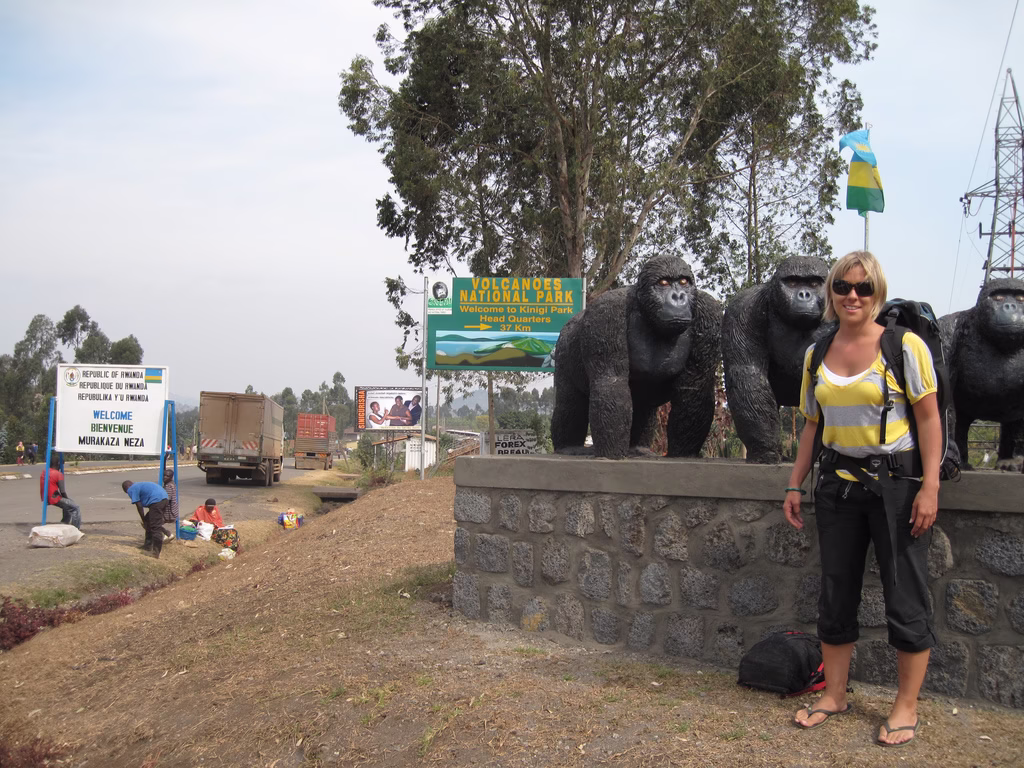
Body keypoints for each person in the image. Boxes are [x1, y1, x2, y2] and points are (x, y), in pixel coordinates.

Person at [784, 251, 940, 747]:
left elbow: (931, 419)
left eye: (864, 288)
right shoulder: (817, 353)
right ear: (832, 292)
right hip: (837, 487)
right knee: (836, 591)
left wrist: (930, 486)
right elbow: (813, 424)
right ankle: (834, 694)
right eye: (844, 287)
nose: (853, 296)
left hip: (897, 485)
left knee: (904, 595)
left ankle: (906, 706)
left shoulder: (904, 347)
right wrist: (794, 483)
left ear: (877, 293)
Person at [122, 480, 171, 558]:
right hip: (164, 499)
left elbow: (139, 505)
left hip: (156, 502)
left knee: (155, 527)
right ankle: (147, 545)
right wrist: (145, 520)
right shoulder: (139, 485)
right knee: (149, 521)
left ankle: (156, 552)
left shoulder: (131, 489)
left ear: (126, 489)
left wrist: (143, 519)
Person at [40, 455, 81, 529]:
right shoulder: (58, 474)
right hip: (54, 498)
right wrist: (67, 499)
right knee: (75, 508)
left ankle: (64, 523)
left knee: (68, 505)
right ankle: (76, 529)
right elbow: (63, 491)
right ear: (58, 464)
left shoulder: (45, 472)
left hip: (46, 497)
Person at [162, 469, 179, 543]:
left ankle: (167, 534)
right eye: (164, 475)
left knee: (154, 523)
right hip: (172, 510)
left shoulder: (168, 486)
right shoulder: (172, 484)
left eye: (167, 476)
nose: (165, 477)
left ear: (171, 477)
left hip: (169, 511)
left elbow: (167, 499)